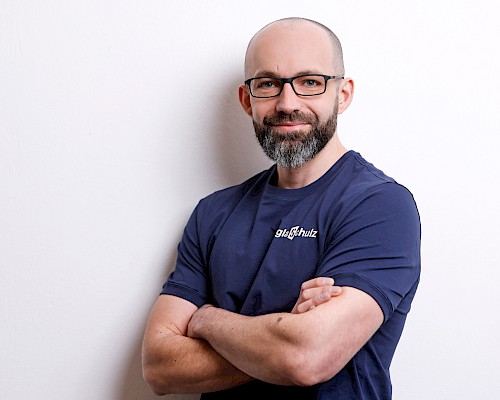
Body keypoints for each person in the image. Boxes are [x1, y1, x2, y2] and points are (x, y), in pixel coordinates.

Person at [142, 17, 421, 399]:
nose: (287, 103)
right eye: (268, 84)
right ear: (247, 100)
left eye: (310, 82)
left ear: (342, 94)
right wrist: (284, 332)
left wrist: (206, 319)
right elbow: (159, 367)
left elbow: (305, 357)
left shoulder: (380, 206)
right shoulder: (213, 213)